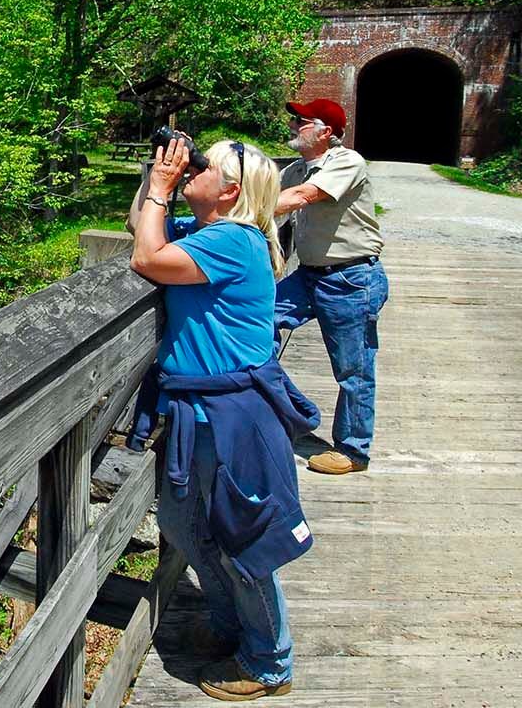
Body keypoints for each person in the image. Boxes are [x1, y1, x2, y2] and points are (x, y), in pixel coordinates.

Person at [127, 135, 321, 701]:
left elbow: (146, 259)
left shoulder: (235, 241)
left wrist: (163, 187)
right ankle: (235, 626)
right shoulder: (213, 234)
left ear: (231, 191)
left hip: (229, 413)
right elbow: (141, 227)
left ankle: (268, 663)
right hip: (200, 410)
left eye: (205, 165)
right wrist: (154, 177)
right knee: (183, 525)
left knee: (242, 541)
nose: (194, 168)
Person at [274, 98, 388, 475]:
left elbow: (304, 197)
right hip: (310, 276)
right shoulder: (294, 170)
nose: (293, 125)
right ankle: (280, 411)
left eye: (301, 120)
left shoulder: (347, 162)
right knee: (256, 320)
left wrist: (247, 207)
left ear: (326, 132)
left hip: (350, 278)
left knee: (353, 370)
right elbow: (266, 192)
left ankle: (354, 452)